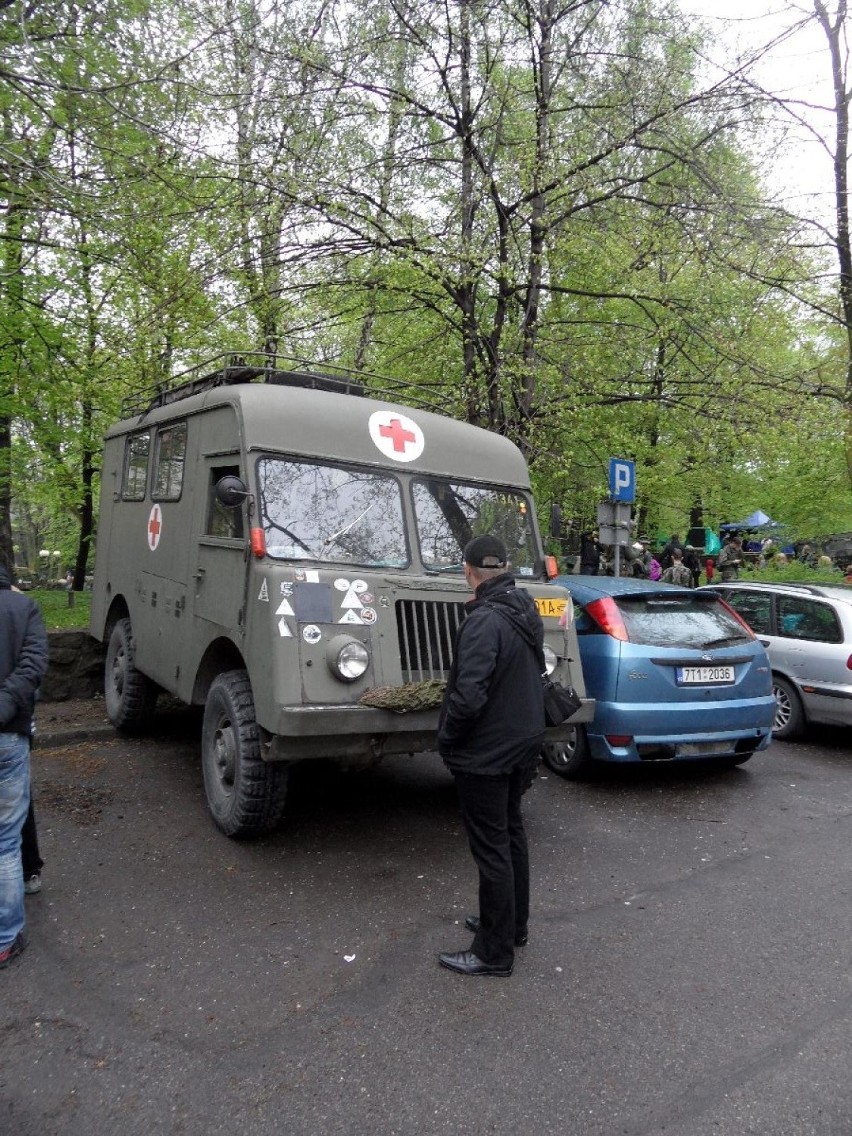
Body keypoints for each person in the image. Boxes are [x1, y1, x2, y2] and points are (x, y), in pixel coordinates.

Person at [437, 534, 545, 978]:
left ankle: (493, 952)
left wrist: (448, 737)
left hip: (487, 750)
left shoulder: (483, 620)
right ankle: (512, 925)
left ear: (468, 571)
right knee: (510, 833)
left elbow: (469, 695)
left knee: (491, 848)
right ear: (503, 568)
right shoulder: (524, 608)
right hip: (523, 740)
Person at [0, 555, 49, 969]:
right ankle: (5, 937)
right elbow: (33, 665)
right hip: (10, 734)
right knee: (5, 841)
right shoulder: (23, 608)